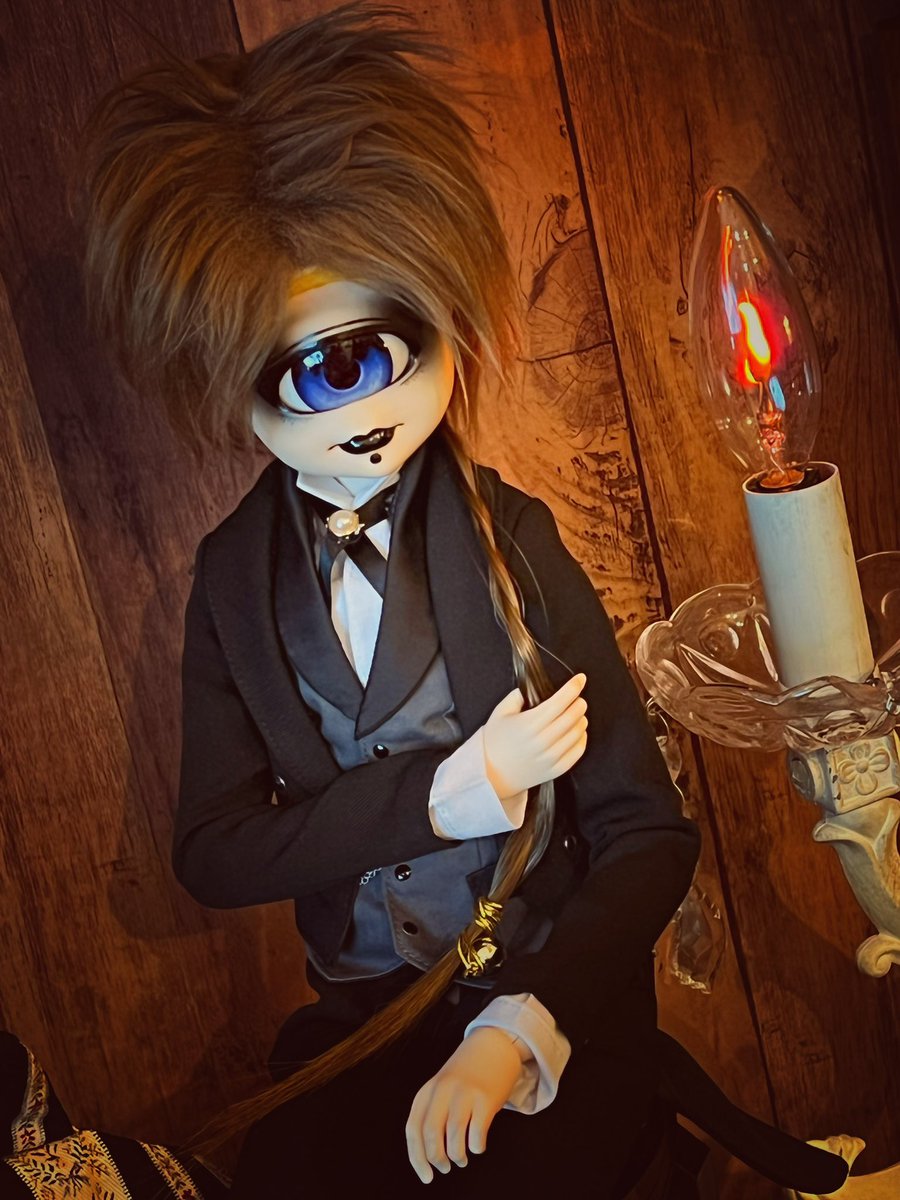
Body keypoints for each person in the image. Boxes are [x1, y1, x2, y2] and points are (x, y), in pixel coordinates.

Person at [78, 6, 849, 1196]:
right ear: (223, 375)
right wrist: (445, 795)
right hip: (369, 1023)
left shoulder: (511, 538)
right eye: (317, 371)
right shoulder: (232, 580)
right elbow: (215, 854)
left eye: (392, 346)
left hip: (546, 996)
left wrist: (524, 1020)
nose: (365, 405)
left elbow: (647, 833)